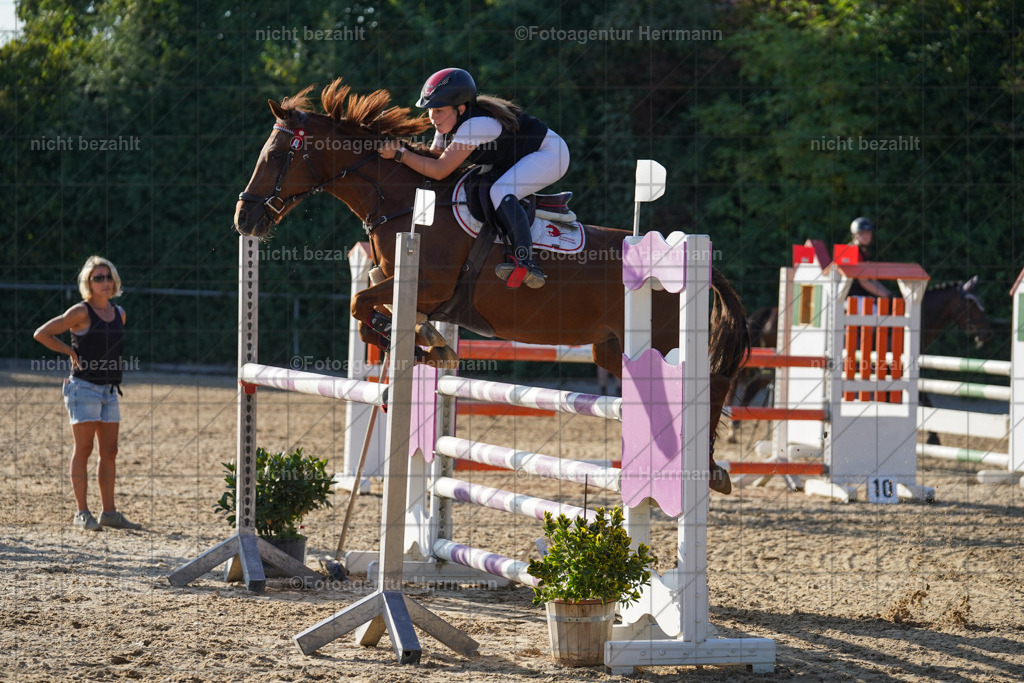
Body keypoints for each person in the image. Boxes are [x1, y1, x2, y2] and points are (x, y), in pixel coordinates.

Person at [380, 67, 570, 289]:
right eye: (430, 110)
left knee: (501, 191)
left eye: (438, 110)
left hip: (550, 155)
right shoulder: (448, 122)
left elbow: (440, 169)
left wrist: (400, 154)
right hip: (516, 159)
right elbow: (431, 165)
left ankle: (527, 262)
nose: (432, 118)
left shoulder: (475, 125)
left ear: (460, 108)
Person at [33, 256, 141, 532]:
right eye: (98, 278)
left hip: (110, 390)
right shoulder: (80, 312)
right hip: (83, 388)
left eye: (108, 277)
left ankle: (109, 513)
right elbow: (42, 333)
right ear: (88, 283)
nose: (105, 282)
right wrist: (69, 351)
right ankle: (82, 512)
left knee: (110, 451)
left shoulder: (120, 313)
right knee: (84, 449)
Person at [846, 216, 891, 298]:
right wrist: (885, 295)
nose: (865, 236)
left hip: (861, 297)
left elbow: (872, 279)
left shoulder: (864, 252)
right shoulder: (852, 251)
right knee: (876, 309)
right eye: (862, 233)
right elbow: (864, 281)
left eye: (868, 233)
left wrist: (888, 293)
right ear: (855, 234)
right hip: (852, 298)